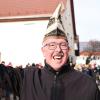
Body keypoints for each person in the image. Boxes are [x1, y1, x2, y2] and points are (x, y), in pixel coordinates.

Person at [20, 3, 100, 100]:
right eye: (52, 45)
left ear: (69, 50)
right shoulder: (27, 79)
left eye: (62, 45)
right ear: (43, 51)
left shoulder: (88, 84)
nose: (58, 49)